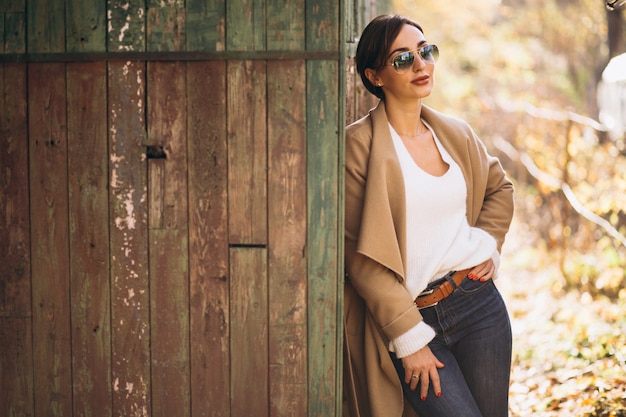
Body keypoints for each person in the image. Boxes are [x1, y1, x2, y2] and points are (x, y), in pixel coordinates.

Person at [343, 14, 514, 417]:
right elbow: (360, 259)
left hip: (478, 305)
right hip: (415, 318)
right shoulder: (358, 147)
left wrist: (488, 243)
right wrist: (409, 339)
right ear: (375, 75)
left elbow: (499, 188)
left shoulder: (456, 133)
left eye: (426, 51)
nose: (421, 65)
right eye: (402, 59)